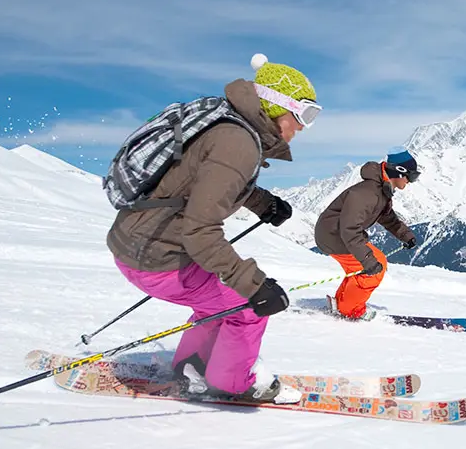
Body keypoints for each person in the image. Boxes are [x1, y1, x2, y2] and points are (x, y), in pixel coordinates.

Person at [106, 54, 321, 404]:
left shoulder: (223, 122)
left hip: (134, 246)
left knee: (216, 303)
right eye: (304, 115)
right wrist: (254, 285)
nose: (302, 127)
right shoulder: (238, 143)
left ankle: (191, 365)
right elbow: (201, 229)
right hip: (158, 260)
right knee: (248, 306)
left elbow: (201, 179)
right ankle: (234, 382)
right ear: (275, 106)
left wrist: (262, 202)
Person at [313, 148, 420, 320]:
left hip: (337, 233)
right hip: (334, 235)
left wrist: (406, 235)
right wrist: (368, 261)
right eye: (412, 176)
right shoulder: (367, 193)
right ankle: (349, 309)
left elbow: (387, 217)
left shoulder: (380, 190)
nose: (412, 182)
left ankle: (342, 302)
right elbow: (349, 230)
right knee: (373, 269)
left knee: (366, 267)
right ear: (399, 172)